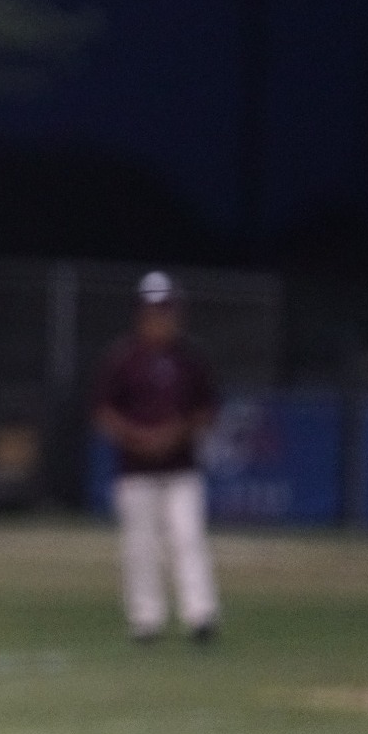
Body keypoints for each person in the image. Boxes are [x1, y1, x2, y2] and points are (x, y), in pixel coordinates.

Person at [91, 271, 221, 644]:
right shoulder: (123, 358)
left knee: (187, 538)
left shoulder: (190, 358)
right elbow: (102, 411)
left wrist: (175, 434)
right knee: (140, 546)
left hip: (181, 467)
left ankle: (200, 616)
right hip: (135, 469)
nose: (161, 318)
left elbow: (207, 409)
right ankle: (145, 620)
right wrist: (137, 437)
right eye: (154, 310)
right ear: (141, 313)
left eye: (166, 310)